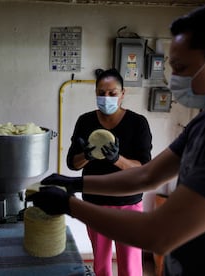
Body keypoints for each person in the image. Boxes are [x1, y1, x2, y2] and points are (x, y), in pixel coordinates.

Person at [28, 1, 205, 275]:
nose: (172, 79)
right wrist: (74, 183)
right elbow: (147, 176)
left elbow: (159, 233)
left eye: (180, 67)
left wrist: (69, 205)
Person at [66, 68, 152, 276]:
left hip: (128, 203)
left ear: (123, 94)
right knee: (102, 266)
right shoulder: (85, 121)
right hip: (95, 205)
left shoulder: (137, 123)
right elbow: (72, 163)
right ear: (96, 93)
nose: (106, 98)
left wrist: (117, 159)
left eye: (112, 93)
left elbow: (144, 167)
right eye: (101, 93)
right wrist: (87, 155)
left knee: (131, 268)